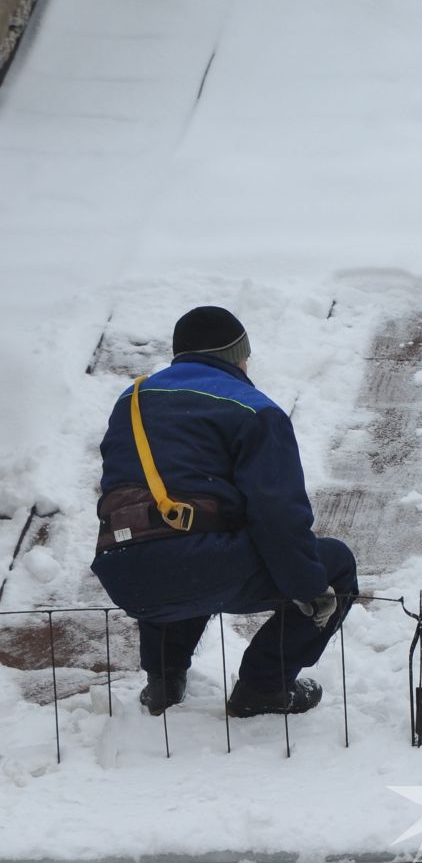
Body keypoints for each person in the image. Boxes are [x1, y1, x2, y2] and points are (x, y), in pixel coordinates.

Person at [93, 306, 357, 717]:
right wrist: (310, 587)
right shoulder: (254, 410)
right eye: (245, 353)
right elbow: (279, 517)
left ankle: (163, 681)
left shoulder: (132, 400)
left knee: (164, 535)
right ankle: (264, 686)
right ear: (236, 355)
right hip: (196, 566)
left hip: (124, 571)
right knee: (336, 565)